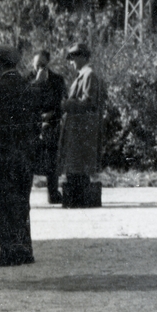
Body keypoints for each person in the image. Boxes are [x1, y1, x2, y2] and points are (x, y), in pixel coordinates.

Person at [0, 47, 36, 267]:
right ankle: (24, 250)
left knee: (0, 204)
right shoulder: (26, 86)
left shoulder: (2, 88)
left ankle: (8, 251)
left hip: (5, 155)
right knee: (21, 203)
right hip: (25, 154)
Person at [57, 43, 106, 198]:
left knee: (79, 167)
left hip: (82, 131)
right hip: (77, 130)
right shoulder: (83, 75)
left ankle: (79, 198)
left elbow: (89, 102)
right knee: (75, 167)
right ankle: (78, 197)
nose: (71, 62)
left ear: (82, 57)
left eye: (73, 58)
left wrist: (67, 104)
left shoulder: (89, 75)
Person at [27, 51, 67, 204]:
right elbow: (24, 101)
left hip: (51, 123)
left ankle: (53, 192)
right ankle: (26, 193)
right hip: (32, 125)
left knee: (51, 160)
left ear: (48, 64)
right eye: (36, 65)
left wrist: (50, 117)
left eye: (42, 65)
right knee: (29, 160)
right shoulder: (27, 79)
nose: (39, 68)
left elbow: (60, 103)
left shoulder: (57, 80)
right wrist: (36, 82)